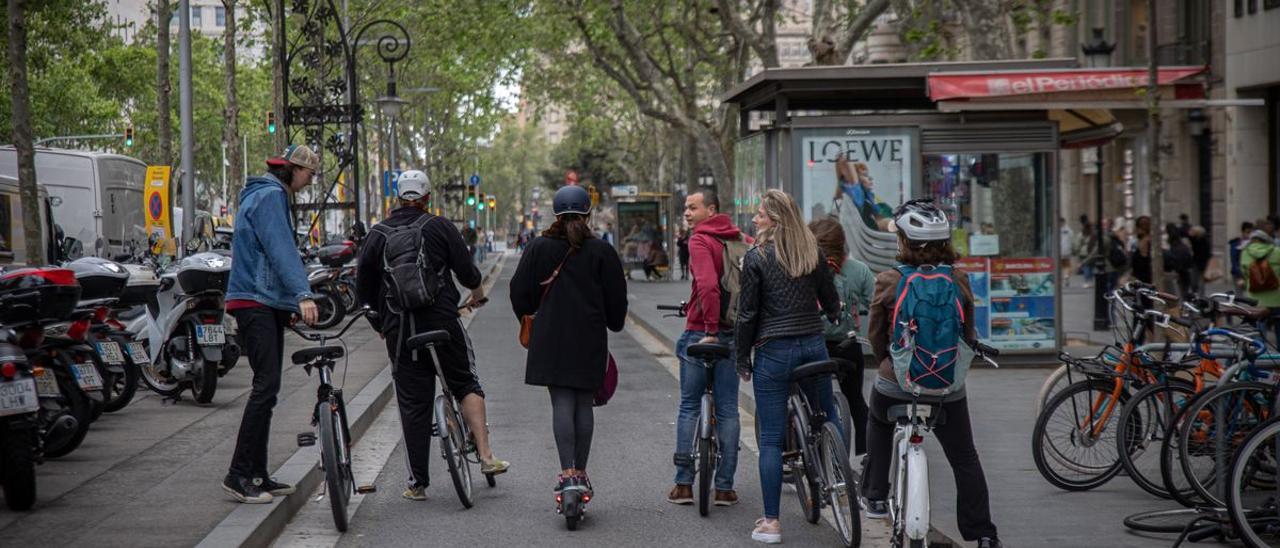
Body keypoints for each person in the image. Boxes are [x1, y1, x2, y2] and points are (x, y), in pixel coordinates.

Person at [355, 170, 509, 502]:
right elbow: (467, 271)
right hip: (442, 322)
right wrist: (477, 292)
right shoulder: (438, 226)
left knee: (413, 403)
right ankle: (485, 457)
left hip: (400, 330)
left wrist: (380, 325)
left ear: (397, 198)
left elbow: (363, 291)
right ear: (427, 199)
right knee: (465, 382)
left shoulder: (378, 235)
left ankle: (417, 484)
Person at [861, 199, 1002, 548]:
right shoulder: (958, 278)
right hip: (947, 387)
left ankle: (876, 496)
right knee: (965, 457)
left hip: (898, 383)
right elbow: (968, 334)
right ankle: (983, 533)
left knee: (878, 419)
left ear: (904, 241)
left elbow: (876, 335)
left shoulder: (889, 280)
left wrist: (889, 364)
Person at [735, 189, 841, 544]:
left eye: (760, 215)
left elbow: (747, 314)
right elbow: (831, 300)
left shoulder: (757, 257)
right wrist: (835, 314)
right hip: (813, 344)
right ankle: (838, 481)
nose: (754, 220)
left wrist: (741, 357)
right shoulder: (813, 252)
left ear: (775, 219)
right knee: (827, 416)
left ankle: (771, 523)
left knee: (769, 440)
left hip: (774, 351)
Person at [510, 185, 627, 498]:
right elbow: (617, 302)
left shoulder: (538, 248)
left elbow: (519, 291)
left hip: (550, 337)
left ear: (555, 213)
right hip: (589, 337)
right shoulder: (602, 250)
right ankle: (581, 473)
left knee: (561, 402)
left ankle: (567, 475)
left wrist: (531, 314)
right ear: (588, 213)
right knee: (583, 404)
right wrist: (611, 321)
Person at [223, 144, 322, 504]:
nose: (309, 183)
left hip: (259, 299)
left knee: (269, 387)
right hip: (256, 299)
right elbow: (280, 248)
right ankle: (237, 475)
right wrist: (302, 293)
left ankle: (257, 474)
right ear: (293, 170)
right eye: (309, 176)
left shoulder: (261, 193)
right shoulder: (271, 197)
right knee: (265, 388)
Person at [668, 188, 750, 508]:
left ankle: (684, 484)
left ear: (711, 209)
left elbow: (708, 286)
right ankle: (726, 487)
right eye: (685, 208)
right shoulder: (740, 238)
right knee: (728, 409)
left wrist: (710, 329)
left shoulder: (700, 240)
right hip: (734, 335)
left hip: (703, 333)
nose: (687, 213)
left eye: (693, 207)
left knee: (689, 406)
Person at [809, 218, 874, 455]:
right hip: (848, 345)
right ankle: (867, 456)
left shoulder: (804, 268)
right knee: (856, 400)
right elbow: (873, 302)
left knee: (809, 400)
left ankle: (805, 452)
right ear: (842, 243)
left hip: (814, 345)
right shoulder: (859, 270)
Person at [1241, 228, 1280, 348]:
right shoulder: (1277, 251)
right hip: (1276, 298)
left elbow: (1245, 274)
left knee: (1258, 330)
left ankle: (1259, 355)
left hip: (1254, 299)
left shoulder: (1245, 252)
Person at [1188, 225, 1212, 294]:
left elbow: (1206, 253)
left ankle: (1201, 296)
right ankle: (1197, 294)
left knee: (1199, 281)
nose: (1191, 232)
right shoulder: (1196, 240)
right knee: (1195, 281)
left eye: (1193, 231)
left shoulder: (1203, 241)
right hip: (1197, 262)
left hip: (1201, 263)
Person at [1231, 222, 1256, 289]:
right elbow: (1234, 260)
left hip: (1251, 273)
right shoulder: (1236, 243)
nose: (1249, 235)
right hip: (1238, 274)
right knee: (1240, 296)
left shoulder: (1254, 243)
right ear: (1243, 232)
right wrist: (1239, 274)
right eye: (1248, 232)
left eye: (1251, 233)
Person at [1059, 217, 1075, 287]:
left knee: (1060, 266)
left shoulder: (1056, 230)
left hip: (1058, 251)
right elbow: (1072, 240)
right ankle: (1066, 276)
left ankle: (1061, 278)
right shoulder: (1069, 230)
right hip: (1067, 251)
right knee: (1067, 265)